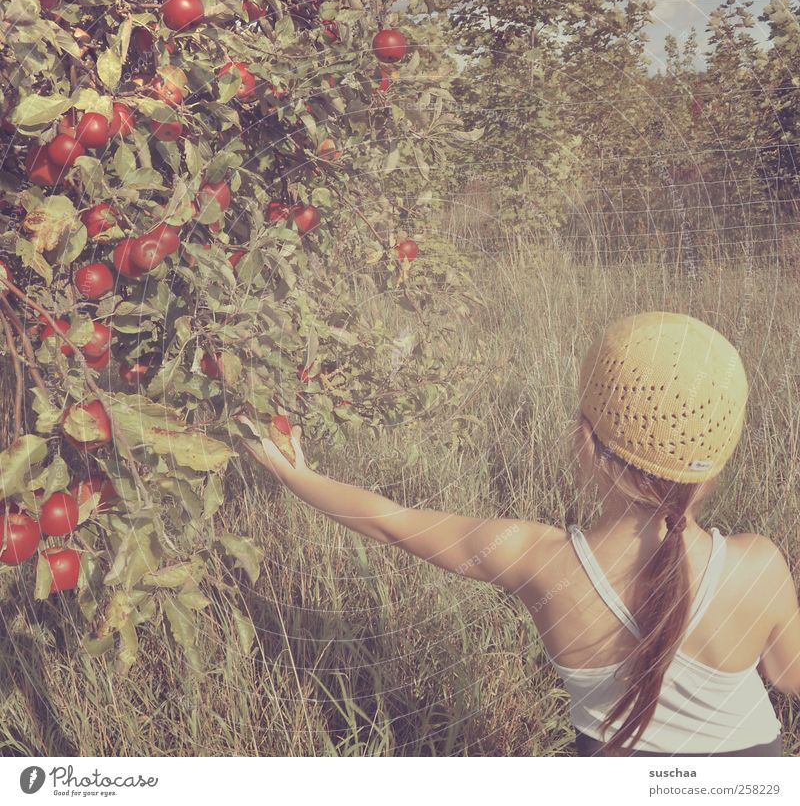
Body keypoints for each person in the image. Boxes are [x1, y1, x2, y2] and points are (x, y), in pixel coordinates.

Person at [239, 311, 800, 756]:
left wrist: (296, 474)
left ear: (586, 444)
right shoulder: (760, 567)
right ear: (716, 465)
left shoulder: (537, 560)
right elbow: (789, 675)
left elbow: (392, 523)